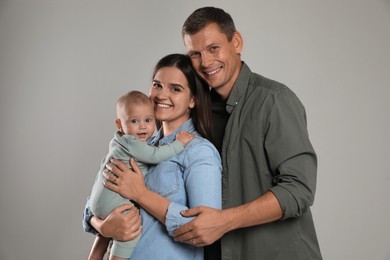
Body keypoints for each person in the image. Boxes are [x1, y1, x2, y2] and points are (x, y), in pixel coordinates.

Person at [172, 6, 323, 260]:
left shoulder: (274, 100)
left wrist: (224, 221)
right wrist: (100, 222)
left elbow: (298, 189)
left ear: (237, 42)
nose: (206, 62)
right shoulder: (195, 111)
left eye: (213, 48)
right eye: (195, 54)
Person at [83, 53, 222, 259]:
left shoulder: (199, 152)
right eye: (157, 85)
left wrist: (141, 194)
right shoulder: (134, 143)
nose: (160, 95)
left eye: (175, 89)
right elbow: (98, 196)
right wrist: (102, 225)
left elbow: (204, 229)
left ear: (193, 100)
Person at [87, 90, 195, 260]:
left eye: (148, 120)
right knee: (131, 231)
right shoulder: (133, 143)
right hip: (112, 201)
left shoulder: (118, 142)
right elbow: (155, 155)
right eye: (134, 121)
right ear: (119, 125)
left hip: (98, 200)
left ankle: (96, 255)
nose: (142, 126)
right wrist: (178, 144)